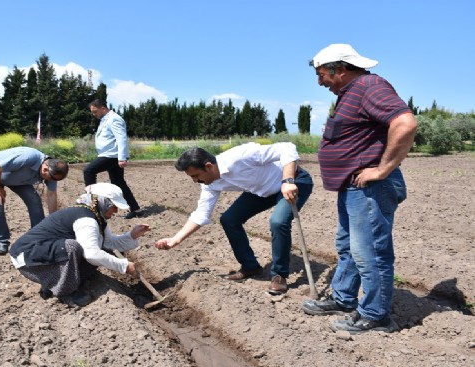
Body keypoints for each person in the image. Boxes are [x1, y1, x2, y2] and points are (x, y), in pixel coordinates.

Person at [301, 44, 417, 334]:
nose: (319, 82)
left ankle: (376, 314)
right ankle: (343, 298)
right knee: (348, 248)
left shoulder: (369, 86)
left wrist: (382, 169)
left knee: (371, 253)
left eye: (321, 75)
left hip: (370, 189)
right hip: (353, 188)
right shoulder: (350, 93)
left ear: (340, 70)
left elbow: (404, 122)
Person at [154, 142, 313, 294]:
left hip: (294, 182)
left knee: (278, 222)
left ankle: (279, 275)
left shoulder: (240, 156)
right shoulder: (209, 184)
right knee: (229, 219)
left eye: (196, 175)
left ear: (208, 166)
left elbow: (287, 148)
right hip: (262, 191)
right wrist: (176, 239)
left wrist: (288, 180)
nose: (195, 181)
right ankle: (250, 266)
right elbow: (201, 214)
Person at [8, 183, 150, 307]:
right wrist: (123, 266)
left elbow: (108, 243)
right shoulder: (86, 219)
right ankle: (67, 293)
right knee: (72, 247)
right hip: (28, 259)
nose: (116, 211)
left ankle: (53, 283)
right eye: (113, 206)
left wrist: (132, 235)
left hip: (43, 256)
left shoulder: (96, 217)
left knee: (94, 254)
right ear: (102, 202)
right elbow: (92, 253)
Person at [0, 146, 69, 255]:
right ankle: (1, 241)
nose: (53, 181)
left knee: (35, 202)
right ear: (45, 169)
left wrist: (53, 222)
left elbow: (51, 195)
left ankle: (38, 238)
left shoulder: (52, 173)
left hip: (17, 179)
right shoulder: (29, 157)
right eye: (52, 179)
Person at [84, 99, 143, 219]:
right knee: (119, 182)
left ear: (103, 108)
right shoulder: (105, 119)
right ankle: (136, 209)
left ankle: (93, 205)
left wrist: (122, 158)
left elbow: (121, 139)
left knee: (88, 171)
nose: (94, 115)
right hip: (109, 154)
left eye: (95, 112)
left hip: (112, 155)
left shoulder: (114, 119)